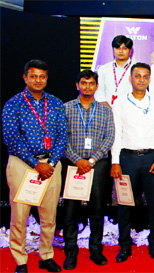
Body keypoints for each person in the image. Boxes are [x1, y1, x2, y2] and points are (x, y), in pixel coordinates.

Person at [3, 60, 67, 273]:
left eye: (42, 77)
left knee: (49, 216)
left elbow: (62, 136)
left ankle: (46, 256)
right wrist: (35, 164)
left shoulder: (56, 103)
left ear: (47, 79)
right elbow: (12, 138)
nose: (38, 80)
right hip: (23, 165)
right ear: (25, 78)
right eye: (33, 76)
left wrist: (50, 163)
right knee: (20, 216)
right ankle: (21, 260)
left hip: (51, 165)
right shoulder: (13, 104)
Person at [110, 63, 154, 262]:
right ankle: (124, 246)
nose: (141, 80)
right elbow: (116, 134)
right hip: (127, 159)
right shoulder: (120, 103)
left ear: (150, 79)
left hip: (152, 159)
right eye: (138, 76)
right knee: (125, 205)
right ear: (131, 79)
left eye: (145, 76)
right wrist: (115, 161)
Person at [62, 70, 115, 270]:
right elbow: (62, 139)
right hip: (72, 163)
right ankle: (70, 252)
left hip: (98, 163)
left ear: (96, 86)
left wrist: (91, 160)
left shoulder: (104, 110)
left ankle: (95, 249)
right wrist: (77, 160)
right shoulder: (66, 108)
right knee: (70, 210)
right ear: (77, 85)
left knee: (97, 208)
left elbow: (109, 138)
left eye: (91, 83)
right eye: (83, 83)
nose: (87, 87)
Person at [95, 35, 134, 106]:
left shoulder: (137, 69)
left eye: (124, 48)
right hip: (107, 111)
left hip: (130, 111)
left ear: (130, 51)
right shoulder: (103, 69)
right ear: (113, 50)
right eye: (117, 48)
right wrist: (108, 110)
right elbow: (99, 93)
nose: (121, 51)